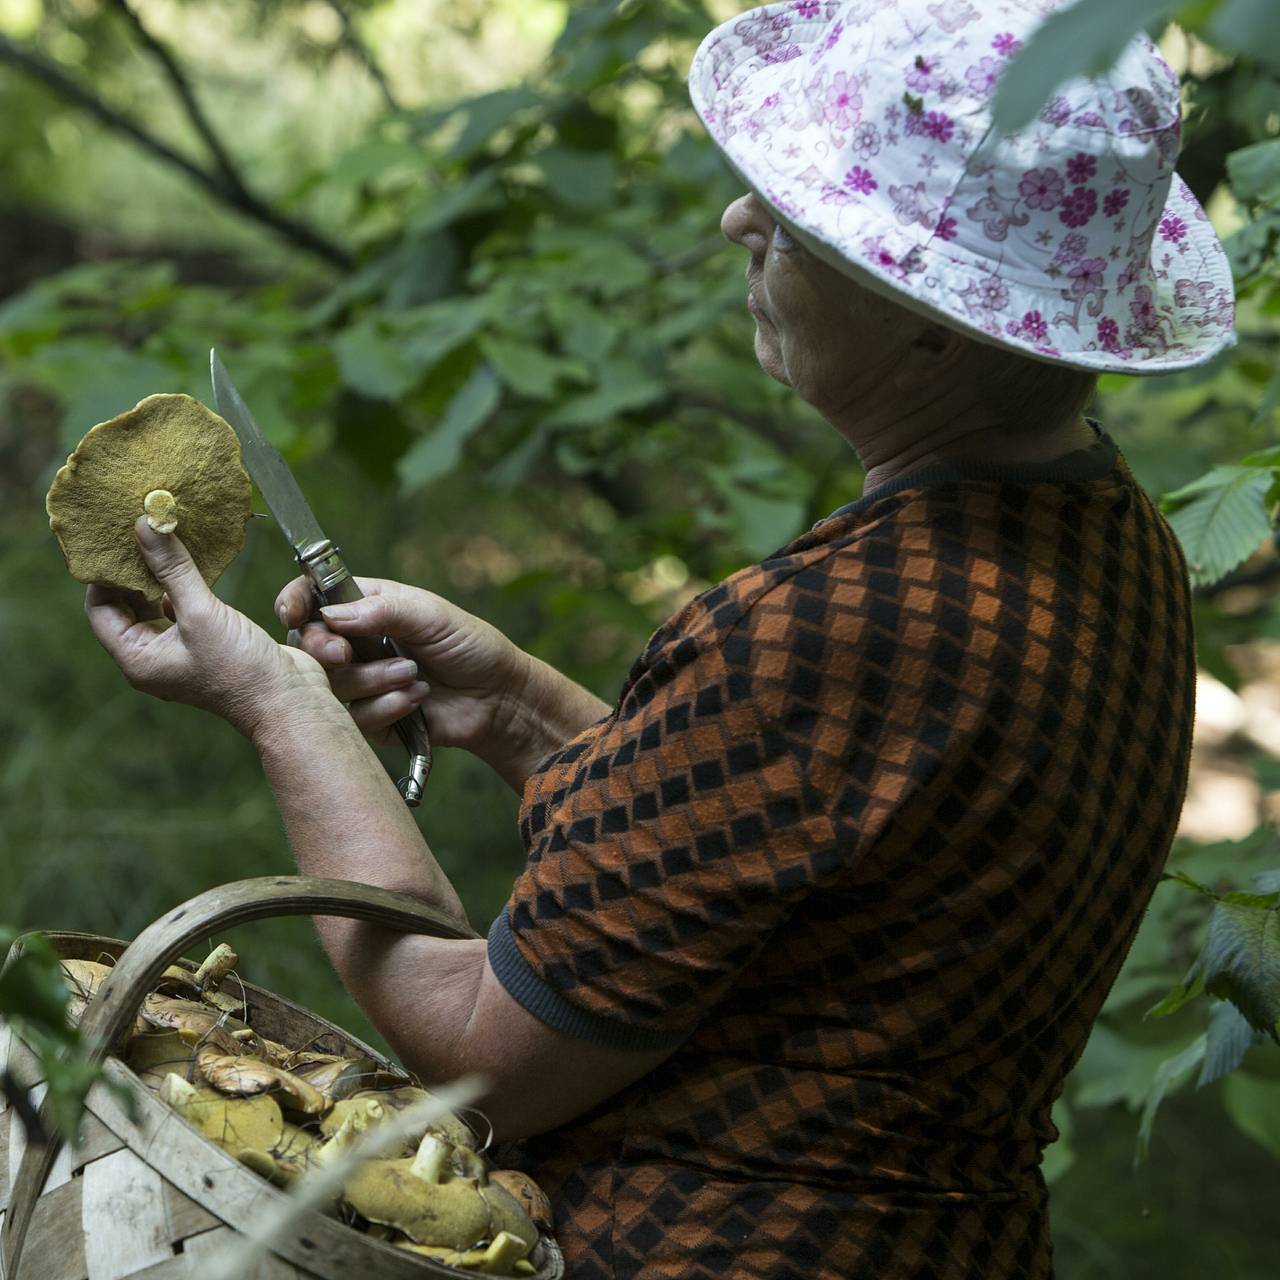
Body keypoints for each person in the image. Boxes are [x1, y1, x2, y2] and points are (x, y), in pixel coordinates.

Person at [86, 2, 1235, 1276]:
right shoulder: (1116, 542)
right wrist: (515, 705)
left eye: (797, 217)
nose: (741, 219)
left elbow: (477, 1058)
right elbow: (784, 854)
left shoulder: (821, 631)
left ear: (930, 315)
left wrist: (277, 700)